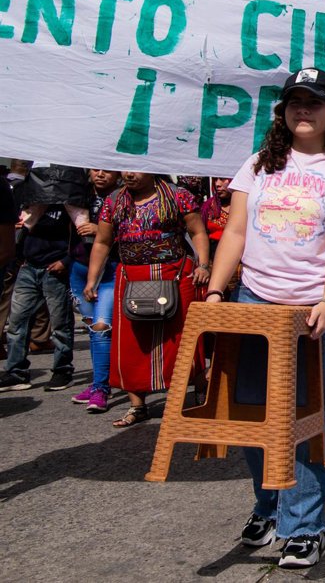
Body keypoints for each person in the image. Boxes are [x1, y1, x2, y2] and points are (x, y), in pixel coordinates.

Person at [203, 68, 325, 569]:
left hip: (321, 308)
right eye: (294, 101)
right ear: (282, 110)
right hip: (256, 300)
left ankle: (306, 527)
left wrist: (323, 299)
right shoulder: (256, 166)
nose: (303, 109)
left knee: (305, 415)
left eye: (314, 102)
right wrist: (216, 291)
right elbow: (234, 232)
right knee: (254, 409)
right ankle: (270, 506)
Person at [84, 172, 210, 427]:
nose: (129, 174)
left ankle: (199, 395)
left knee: (184, 338)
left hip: (175, 274)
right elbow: (103, 241)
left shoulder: (178, 195)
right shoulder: (114, 201)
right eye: (125, 168)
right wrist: (92, 280)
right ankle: (137, 405)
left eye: (136, 168)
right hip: (132, 277)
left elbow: (197, 231)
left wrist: (204, 265)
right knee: (131, 341)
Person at [0, 196, 77, 392]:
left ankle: (62, 369)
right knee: (17, 322)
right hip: (29, 267)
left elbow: (79, 236)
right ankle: (16, 371)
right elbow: (23, 232)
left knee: (60, 323)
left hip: (55, 267)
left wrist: (66, 261)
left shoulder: (69, 203)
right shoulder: (32, 203)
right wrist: (19, 258)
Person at [68, 169, 121, 412]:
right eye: (95, 169)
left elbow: (134, 232)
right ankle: (99, 381)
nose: (100, 174)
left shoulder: (124, 196)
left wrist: (98, 229)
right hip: (79, 268)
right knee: (91, 327)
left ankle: (101, 389)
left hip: (110, 269)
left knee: (102, 327)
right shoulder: (76, 193)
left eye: (107, 170)